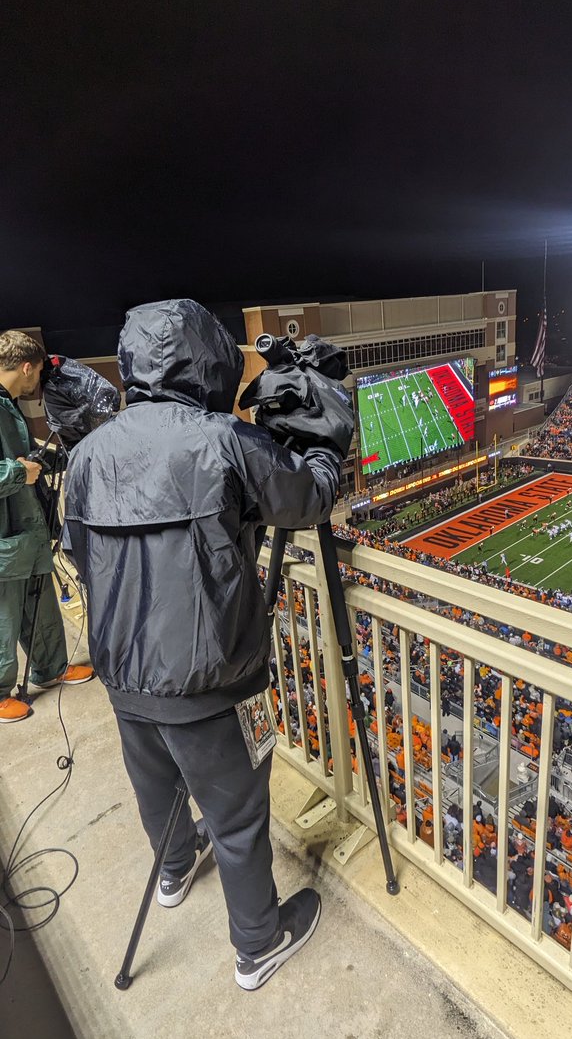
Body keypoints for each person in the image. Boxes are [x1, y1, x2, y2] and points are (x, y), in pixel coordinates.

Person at [64, 300, 352, 991]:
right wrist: (321, 441)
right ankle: (258, 943)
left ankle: (172, 871)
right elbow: (310, 498)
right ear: (208, 362)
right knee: (238, 817)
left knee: (155, 787)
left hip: (123, 673)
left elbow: (77, 552)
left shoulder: (86, 454)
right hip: (211, 680)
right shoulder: (222, 439)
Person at [0, 330, 94, 724]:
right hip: (5, 535)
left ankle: (50, 668)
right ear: (27, 367)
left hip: (27, 532)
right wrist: (17, 472)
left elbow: (22, 454)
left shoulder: (8, 406)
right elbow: (14, 466)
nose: (38, 382)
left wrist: (59, 457)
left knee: (40, 605)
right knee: (4, 616)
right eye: (38, 373)